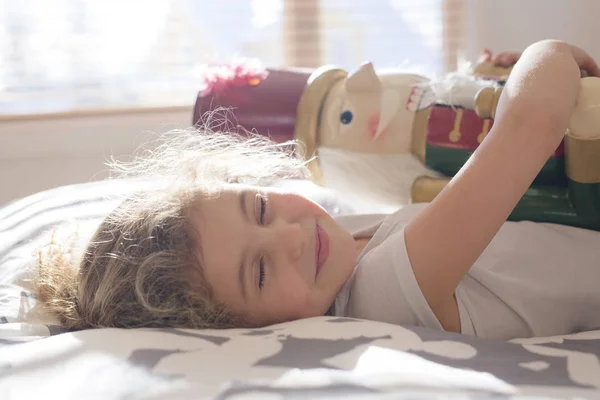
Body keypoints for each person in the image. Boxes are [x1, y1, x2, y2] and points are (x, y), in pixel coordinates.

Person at [36, 40, 600, 340]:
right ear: (242, 332)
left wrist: (491, 84)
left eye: (258, 207)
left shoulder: (346, 242)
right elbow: (529, 126)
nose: (290, 236)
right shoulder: (382, 295)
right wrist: (544, 56)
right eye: (258, 272)